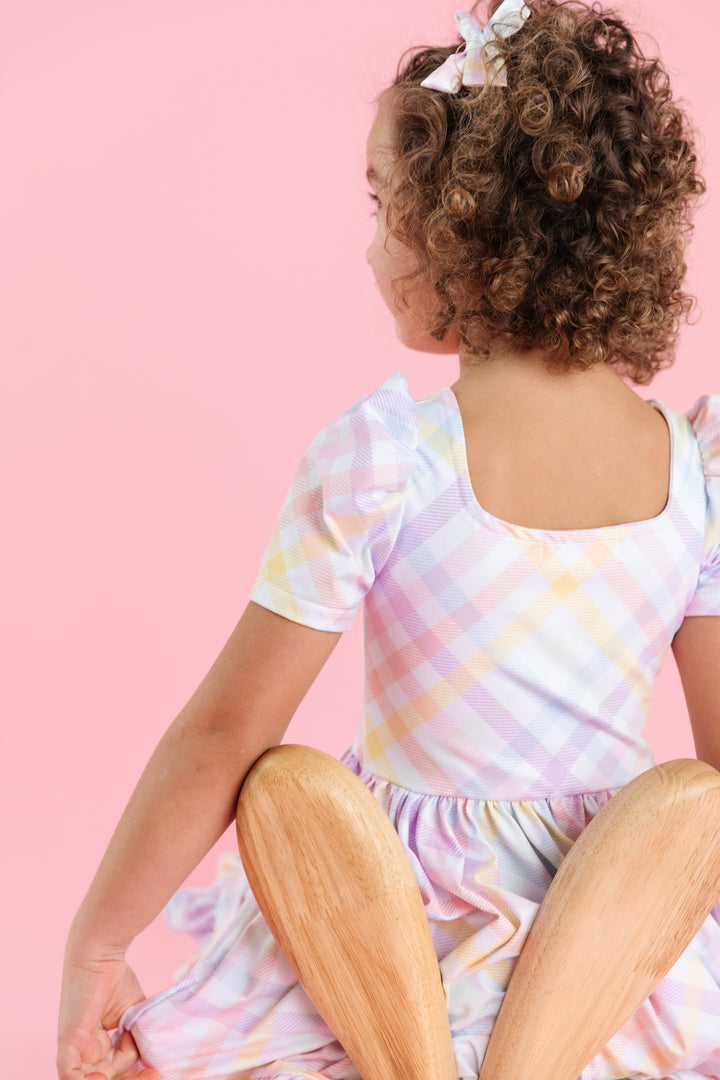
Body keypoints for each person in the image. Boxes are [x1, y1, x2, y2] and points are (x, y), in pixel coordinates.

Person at [57, 1, 720, 1078]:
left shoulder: (389, 462)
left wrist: (98, 941)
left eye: (383, 208)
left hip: (385, 931)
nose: (370, 247)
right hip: (609, 933)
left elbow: (227, 738)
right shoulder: (697, 474)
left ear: (462, 231)